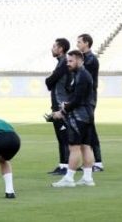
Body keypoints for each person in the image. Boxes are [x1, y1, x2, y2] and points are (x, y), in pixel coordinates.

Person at [51, 50, 97, 188]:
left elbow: (77, 100)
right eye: (67, 61)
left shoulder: (81, 75)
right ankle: (87, 178)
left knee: (74, 147)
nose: (68, 64)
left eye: (71, 61)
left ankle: (69, 178)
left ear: (79, 60)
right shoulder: (81, 74)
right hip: (88, 115)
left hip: (79, 116)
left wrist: (62, 111)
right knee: (86, 146)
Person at [44, 38, 71, 175]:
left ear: (61, 49)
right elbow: (50, 83)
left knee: (64, 137)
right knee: (61, 137)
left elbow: (49, 81)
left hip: (61, 104)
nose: (52, 48)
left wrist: (50, 79)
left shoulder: (64, 63)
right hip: (58, 103)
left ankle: (65, 167)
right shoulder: (61, 62)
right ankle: (62, 165)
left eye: (54, 46)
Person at [76, 33, 103, 171]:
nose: (77, 44)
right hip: (85, 98)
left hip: (89, 99)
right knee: (85, 130)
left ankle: (98, 162)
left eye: (79, 42)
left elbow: (85, 79)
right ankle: (89, 162)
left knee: (90, 128)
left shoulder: (91, 60)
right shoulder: (85, 58)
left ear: (86, 43)